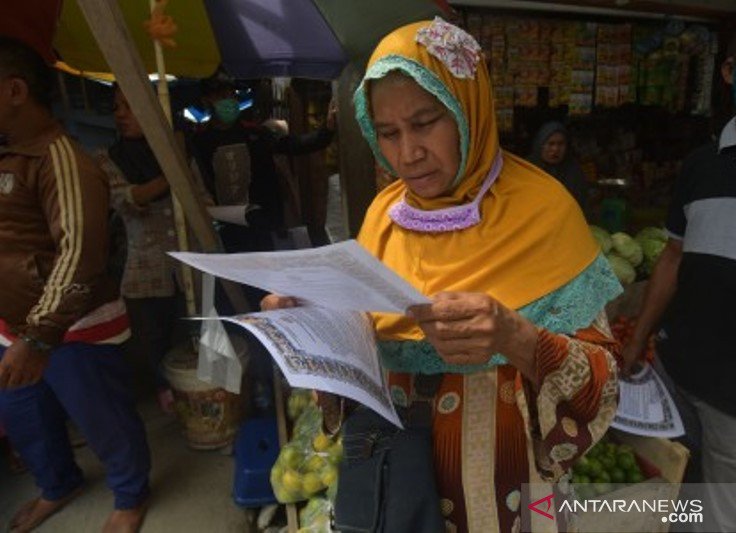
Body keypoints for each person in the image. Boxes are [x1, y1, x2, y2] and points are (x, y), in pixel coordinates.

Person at [262, 18, 622, 531]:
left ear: (467, 110)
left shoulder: (545, 211)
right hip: (392, 486)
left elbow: (603, 384)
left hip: (506, 498)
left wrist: (518, 338)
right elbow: (359, 355)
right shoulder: (383, 216)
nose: (408, 153)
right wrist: (311, 321)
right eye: (387, 133)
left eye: (426, 122)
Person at [622, 1, 736, 530]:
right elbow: (674, 256)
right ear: (730, 70)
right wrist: (638, 342)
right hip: (677, 381)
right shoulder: (702, 166)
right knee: (677, 505)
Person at [0, 37, 150, 532]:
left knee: (103, 420)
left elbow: (81, 255)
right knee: (26, 418)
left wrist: (39, 336)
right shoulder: (9, 157)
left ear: (15, 90)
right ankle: (57, 483)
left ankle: (129, 496)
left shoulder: (62, 159)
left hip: (74, 325)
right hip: (14, 326)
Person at [95, 85, 202, 413]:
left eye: (130, 106)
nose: (120, 114)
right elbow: (130, 199)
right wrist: (174, 171)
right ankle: (164, 389)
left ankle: (195, 391)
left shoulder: (176, 155)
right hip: (145, 271)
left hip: (186, 265)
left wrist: (206, 205)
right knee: (154, 336)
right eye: (117, 107)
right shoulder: (107, 158)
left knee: (191, 328)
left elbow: (198, 195)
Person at [191, 73, 336, 255]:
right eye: (220, 97)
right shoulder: (199, 143)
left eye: (231, 95)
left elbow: (294, 145)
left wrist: (327, 130)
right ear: (206, 101)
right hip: (225, 231)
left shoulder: (256, 134)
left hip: (264, 227)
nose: (228, 101)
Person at [527, 121, 588, 211]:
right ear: (541, 145)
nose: (555, 149)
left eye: (560, 144)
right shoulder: (528, 169)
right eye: (551, 144)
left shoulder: (574, 171)